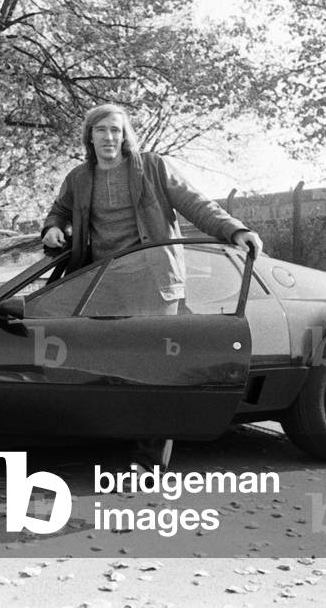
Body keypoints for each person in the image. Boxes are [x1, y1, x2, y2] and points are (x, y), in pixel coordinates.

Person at [41, 103, 263, 471]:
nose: (109, 137)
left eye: (116, 130)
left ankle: (148, 463)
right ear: (90, 136)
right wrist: (53, 227)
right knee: (108, 369)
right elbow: (60, 211)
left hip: (154, 281)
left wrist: (234, 229)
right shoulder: (79, 178)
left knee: (154, 371)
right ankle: (112, 444)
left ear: (125, 135)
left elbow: (196, 204)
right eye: (101, 130)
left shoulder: (153, 167)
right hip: (101, 284)